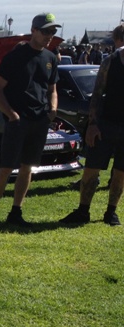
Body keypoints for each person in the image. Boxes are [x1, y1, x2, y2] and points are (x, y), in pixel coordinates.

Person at [0, 14, 61, 231]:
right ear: (33, 30)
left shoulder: (50, 58)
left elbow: (52, 89)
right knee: (6, 168)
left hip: (39, 120)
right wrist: (11, 115)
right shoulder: (15, 57)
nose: (49, 36)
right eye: (46, 31)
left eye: (52, 32)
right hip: (18, 121)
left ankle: (16, 211)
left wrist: (53, 109)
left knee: (28, 168)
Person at [60, 24, 124, 227]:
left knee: (121, 172)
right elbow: (97, 94)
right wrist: (93, 124)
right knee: (91, 169)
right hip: (105, 124)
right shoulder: (110, 61)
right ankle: (83, 211)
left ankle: (111, 212)